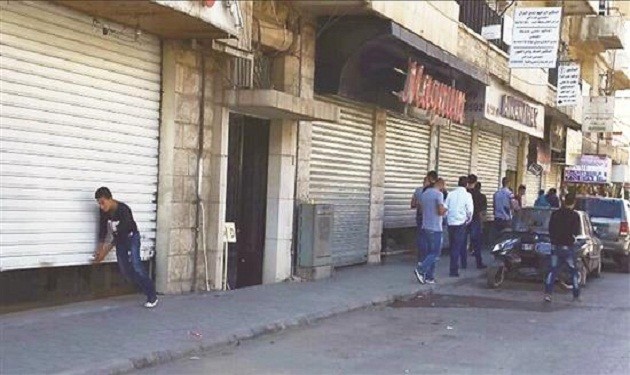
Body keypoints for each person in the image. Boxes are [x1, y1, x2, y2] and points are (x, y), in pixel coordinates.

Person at [93, 187, 158, 308]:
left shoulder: (124, 210)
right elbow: (102, 231)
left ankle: (152, 295)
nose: (101, 206)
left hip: (131, 237)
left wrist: (105, 253)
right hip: (119, 240)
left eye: (103, 202)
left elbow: (120, 235)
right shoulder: (103, 211)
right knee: (125, 271)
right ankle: (144, 287)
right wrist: (99, 250)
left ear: (110, 199)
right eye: (99, 203)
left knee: (136, 265)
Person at [544, 192, 582, 302]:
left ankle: (548, 294)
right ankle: (576, 294)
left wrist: (553, 240)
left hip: (556, 246)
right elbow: (576, 232)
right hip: (568, 246)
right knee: (573, 271)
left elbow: (550, 229)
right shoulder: (575, 216)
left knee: (552, 270)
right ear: (574, 202)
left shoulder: (555, 214)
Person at [414, 173, 447, 285]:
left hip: (425, 226)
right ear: (441, 185)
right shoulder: (439, 194)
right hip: (435, 227)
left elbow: (421, 209)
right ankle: (421, 269)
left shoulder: (424, 193)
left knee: (429, 253)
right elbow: (440, 211)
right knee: (435, 253)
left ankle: (429, 277)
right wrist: (446, 209)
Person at [445, 176, 474, 277]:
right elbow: (470, 211)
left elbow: (445, 208)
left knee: (452, 246)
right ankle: (454, 270)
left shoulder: (450, 194)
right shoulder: (467, 195)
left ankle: (453, 267)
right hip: (461, 223)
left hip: (450, 223)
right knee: (457, 246)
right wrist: (467, 220)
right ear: (466, 184)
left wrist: (448, 218)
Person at [411, 172, 435, 266]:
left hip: (420, 216)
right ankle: (428, 258)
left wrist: (419, 204)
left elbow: (412, 204)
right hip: (430, 217)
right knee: (429, 238)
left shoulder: (418, 191)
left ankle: (421, 259)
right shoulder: (434, 192)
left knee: (421, 237)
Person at [467, 177, 488, 269]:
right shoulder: (481, 196)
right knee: (477, 242)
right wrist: (482, 223)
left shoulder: (466, 193)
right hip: (476, 220)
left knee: (463, 241)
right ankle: (478, 263)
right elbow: (482, 212)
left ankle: (463, 263)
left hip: (465, 220)